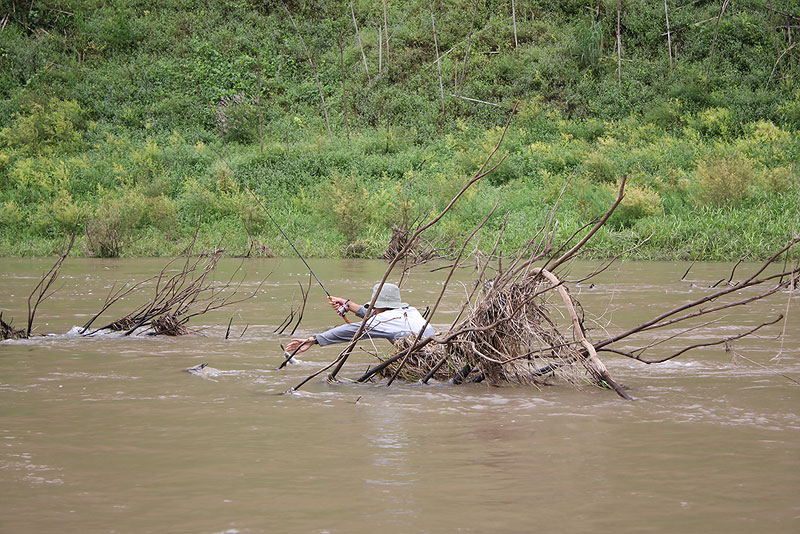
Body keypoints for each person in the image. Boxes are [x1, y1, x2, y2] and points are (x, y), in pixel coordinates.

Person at [285, 282, 434, 355]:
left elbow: (350, 330)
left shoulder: (382, 321)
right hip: (433, 351)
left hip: (421, 356)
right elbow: (374, 315)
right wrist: (347, 304)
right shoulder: (410, 311)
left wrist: (314, 340)